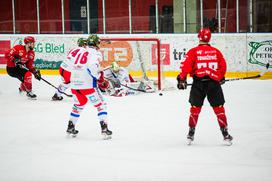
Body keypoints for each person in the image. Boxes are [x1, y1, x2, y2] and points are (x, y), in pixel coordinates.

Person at [177, 28, 233, 145]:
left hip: (198, 84)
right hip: (213, 84)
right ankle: (226, 135)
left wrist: (182, 79)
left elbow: (185, 67)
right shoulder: (216, 51)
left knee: (195, 109)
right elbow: (223, 66)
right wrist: (220, 77)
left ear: (199, 37)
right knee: (219, 109)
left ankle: (190, 134)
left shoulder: (193, 52)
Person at [66, 34, 112, 139]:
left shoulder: (80, 50)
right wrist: (100, 78)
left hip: (74, 84)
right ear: (97, 43)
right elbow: (92, 67)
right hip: (87, 85)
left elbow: (70, 64)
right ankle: (104, 129)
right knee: (101, 105)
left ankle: (70, 127)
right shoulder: (95, 53)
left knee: (79, 105)